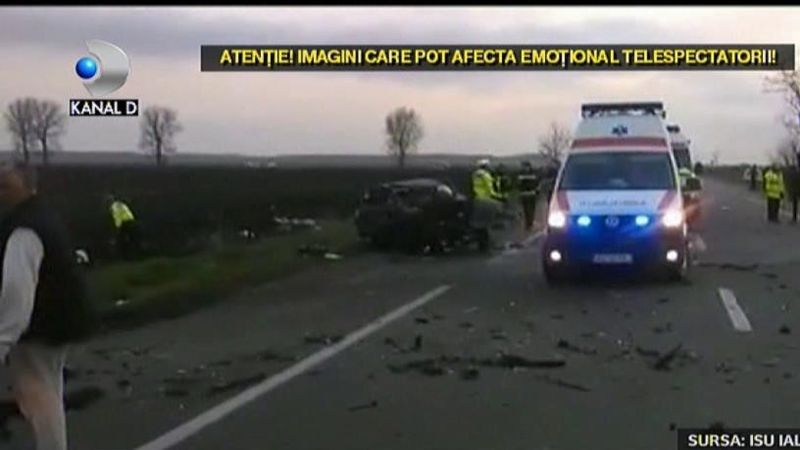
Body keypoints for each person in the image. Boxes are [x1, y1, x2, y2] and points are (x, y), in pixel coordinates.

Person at [0, 162, 96, 450]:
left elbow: (16, 292)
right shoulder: (41, 216)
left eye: (5, 186)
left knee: (39, 397)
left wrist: (3, 339)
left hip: (41, 327)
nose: (0, 192)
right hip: (56, 321)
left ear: (28, 187)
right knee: (45, 392)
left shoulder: (24, 230)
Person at [107, 194, 140, 259]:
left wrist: (118, 227)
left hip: (125, 223)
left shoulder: (114, 207)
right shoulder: (120, 204)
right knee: (132, 239)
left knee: (122, 240)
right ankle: (134, 254)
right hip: (131, 221)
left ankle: (125, 256)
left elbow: (117, 216)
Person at [517, 161, 540, 231]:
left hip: (531, 194)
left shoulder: (522, 174)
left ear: (529, 166)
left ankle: (530, 224)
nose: (524, 168)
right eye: (523, 167)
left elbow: (537, 183)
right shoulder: (523, 174)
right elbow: (518, 184)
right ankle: (528, 224)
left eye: (525, 166)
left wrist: (537, 191)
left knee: (531, 210)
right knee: (527, 210)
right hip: (525, 194)